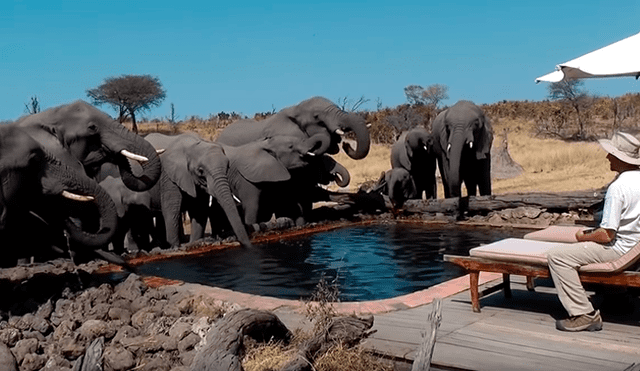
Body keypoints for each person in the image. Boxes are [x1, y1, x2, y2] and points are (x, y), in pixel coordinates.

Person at [548, 131, 640, 332]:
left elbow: (607, 235)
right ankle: (618, 298)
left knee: (557, 257)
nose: (607, 157)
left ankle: (584, 314)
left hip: (620, 248)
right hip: (636, 247)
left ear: (620, 157)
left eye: (611, 153)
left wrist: (583, 236)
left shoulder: (619, 187)